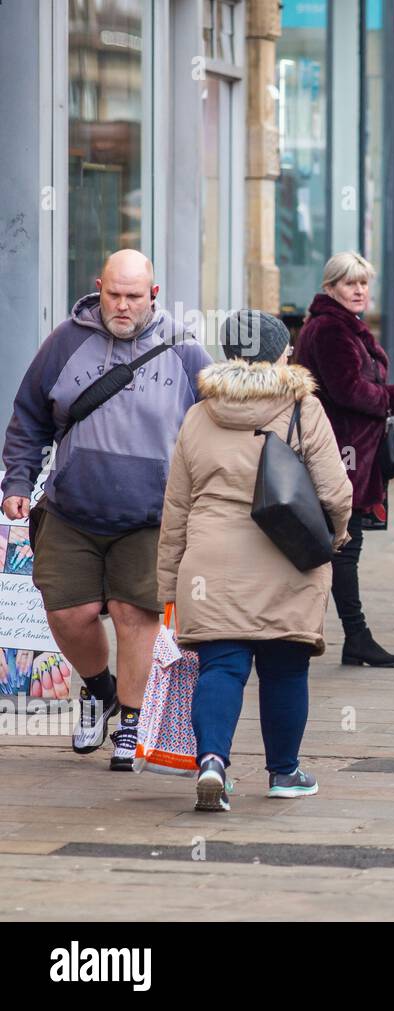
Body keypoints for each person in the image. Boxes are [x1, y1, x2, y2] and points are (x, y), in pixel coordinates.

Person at [1, 249, 210, 769]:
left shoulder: (184, 350)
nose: (121, 305)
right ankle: (99, 689)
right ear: (99, 287)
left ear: (153, 296)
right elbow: (29, 416)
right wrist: (18, 479)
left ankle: (134, 722)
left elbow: (214, 423)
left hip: (150, 516)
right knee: (67, 613)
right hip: (73, 509)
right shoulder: (65, 342)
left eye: (133, 296)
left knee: (133, 613)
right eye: (113, 293)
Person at [157, 311, 353, 812]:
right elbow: (333, 489)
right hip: (286, 554)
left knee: (220, 666)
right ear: (280, 352)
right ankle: (284, 772)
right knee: (286, 667)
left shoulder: (200, 413)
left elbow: (176, 505)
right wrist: (336, 537)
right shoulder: (302, 407)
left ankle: (213, 764)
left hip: (210, 558)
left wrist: (168, 583)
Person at [293, 252, 394, 667]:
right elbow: (347, 390)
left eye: (363, 282)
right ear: (330, 288)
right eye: (349, 283)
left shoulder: (345, 326)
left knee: (341, 544)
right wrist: (393, 398)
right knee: (341, 545)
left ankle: (348, 637)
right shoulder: (330, 329)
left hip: (350, 453)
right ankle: (348, 636)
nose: (360, 290)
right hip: (339, 454)